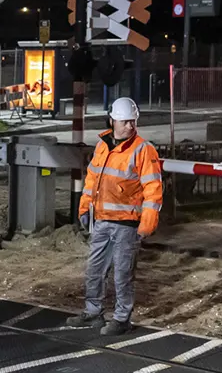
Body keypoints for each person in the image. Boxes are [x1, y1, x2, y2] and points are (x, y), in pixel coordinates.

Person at [64, 97, 163, 336]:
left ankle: (121, 318)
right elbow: (92, 181)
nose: (130, 126)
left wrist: (147, 223)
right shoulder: (103, 146)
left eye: (133, 121)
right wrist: (85, 208)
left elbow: (153, 189)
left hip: (127, 224)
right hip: (102, 220)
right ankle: (93, 312)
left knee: (122, 274)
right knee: (95, 269)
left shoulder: (142, 149)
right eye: (126, 121)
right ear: (113, 121)